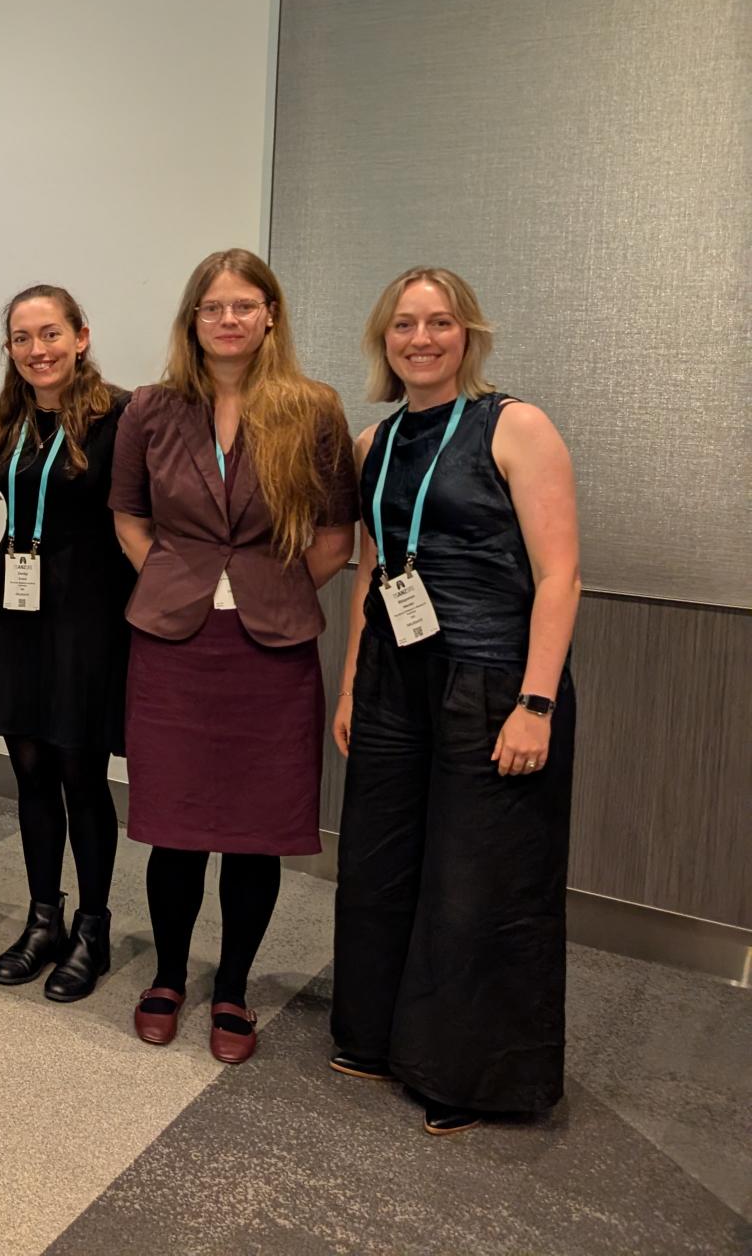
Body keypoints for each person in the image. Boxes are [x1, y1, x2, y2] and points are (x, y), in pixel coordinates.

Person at [329, 268, 580, 1136]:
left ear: (467, 335)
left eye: (439, 323)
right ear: (384, 340)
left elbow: (560, 576)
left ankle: (467, 1074)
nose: (421, 339)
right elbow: (371, 570)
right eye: (404, 325)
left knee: (477, 881)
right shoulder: (375, 443)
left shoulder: (516, 426)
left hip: (491, 680)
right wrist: (354, 683)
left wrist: (537, 704)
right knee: (380, 861)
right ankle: (376, 1035)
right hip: (397, 682)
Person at [110, 248, 355, 1064]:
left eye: (244, 305)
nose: (228, 319)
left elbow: (332, 536)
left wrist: (267, 589)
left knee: (256, 832)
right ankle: (170, 976)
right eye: (212, 307)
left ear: (270, 316)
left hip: (270, 653)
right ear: (193, 320)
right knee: (175, 828)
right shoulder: (150, 408)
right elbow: (129, 516)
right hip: (174, 649)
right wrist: (180, 580)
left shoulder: (313, 410)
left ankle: (235, 988)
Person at [0, 286, 136, 999]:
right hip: (14, 607)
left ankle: (93, 931)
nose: (37, 350)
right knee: (30, 768)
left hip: (85, 611)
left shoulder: (119, 417)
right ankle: (45, 918)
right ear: (9, 349)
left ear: (81, 336)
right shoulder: (10, 419)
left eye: (50, 334)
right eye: (22, 338)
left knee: (79, 772)